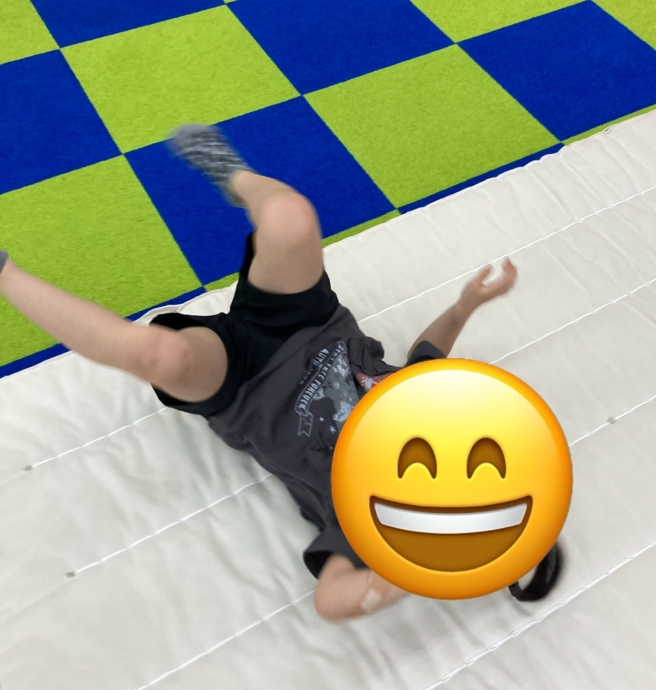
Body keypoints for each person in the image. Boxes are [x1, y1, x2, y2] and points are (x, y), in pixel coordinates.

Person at [0, 125, 561, 622]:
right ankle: (231, 172)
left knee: (160, 356)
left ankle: (5, 275)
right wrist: (467, 304)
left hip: (242, 388)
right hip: (308, 322)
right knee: (292, 217)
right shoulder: (447, 425)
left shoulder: (373, 524)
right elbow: (427, 355)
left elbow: (332, 599)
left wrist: (399, 576)